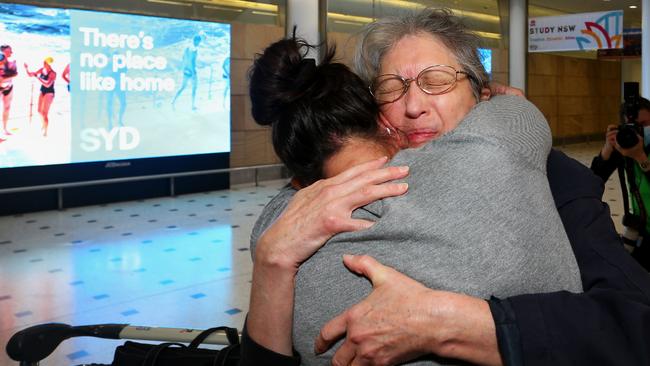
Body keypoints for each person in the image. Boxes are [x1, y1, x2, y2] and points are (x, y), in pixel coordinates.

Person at [244, 9, 650, 366]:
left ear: (481, 96)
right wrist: (271, 262)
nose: (413, 105)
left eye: (435, 80)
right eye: (391, 88)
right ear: (375, 113)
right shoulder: (313, 210)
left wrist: (454, 323)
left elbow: (635, 323)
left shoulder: (555, 184)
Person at [591, 96, 650, 271]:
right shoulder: (625, 147)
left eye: (645, 125)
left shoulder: (635, 151)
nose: (639, 132)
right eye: (633, 127)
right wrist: (607, 150)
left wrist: (640, 157)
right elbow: (593, 179)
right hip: (643, 232)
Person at [24, 57, 56, 137]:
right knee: (39, 111)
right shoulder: (42, 69)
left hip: (49, 92)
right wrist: (26, 69)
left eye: (46, 63)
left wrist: (38, 77)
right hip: (42, 91)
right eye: (44, 62)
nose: (44, 64)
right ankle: (43, 125)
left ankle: (46, 132)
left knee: (45, 113)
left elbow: (47, 84)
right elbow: (31, 75)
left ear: (49, 64)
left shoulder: (53, 73)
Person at [172, 34, 202, 111]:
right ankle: (193, 105)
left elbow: (184, 59)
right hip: (192, 71)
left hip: (185, 71)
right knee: (194, 88)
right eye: (199, 42)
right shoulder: (194, 49)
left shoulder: (187, 48)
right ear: (196, 41)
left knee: (183, 87)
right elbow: (192, 62)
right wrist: (193, 73)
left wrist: (184, 69)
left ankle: (173, 101)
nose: (199, 43)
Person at [0, 45, 18, 137]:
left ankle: (5, 129)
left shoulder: (12, 62)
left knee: (7, 108)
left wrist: (4, 78)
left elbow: (16, 74)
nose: (11, 53)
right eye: (9, 51)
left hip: (8, 87)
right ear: (3, 52)